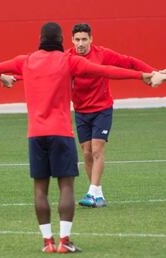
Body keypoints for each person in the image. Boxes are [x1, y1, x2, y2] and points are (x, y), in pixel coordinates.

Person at [0, 22, 152, 253]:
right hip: (62, 133)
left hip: (36, 135)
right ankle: (64, 241)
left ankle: (47, 242)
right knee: (66, 187)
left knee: (40, 190)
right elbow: (106, 71)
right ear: (64, 39)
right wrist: (143, 75)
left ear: (40, 38)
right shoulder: (69, 60)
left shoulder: (26, 61)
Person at [68, 23, 155, 208]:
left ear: (91, 39)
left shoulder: (102, 54)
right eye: (77, 40)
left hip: (102, 109)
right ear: (72, 40)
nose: (81, 43)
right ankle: (97, 194)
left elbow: (129, 62)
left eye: (84, 39)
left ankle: (92, 192)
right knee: (86, 153)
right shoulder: (67, 58)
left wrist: (152, 72)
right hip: (81, 111)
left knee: (97, 150)